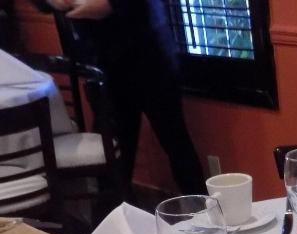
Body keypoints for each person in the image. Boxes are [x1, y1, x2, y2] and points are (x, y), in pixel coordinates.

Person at [39, 0, 206, 197]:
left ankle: (204, 210)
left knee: (177, 145)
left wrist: (110, 6)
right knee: (113, 159)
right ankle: (114, 212)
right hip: (104, 65)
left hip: (150, 55)